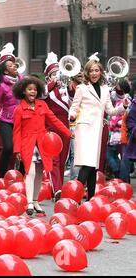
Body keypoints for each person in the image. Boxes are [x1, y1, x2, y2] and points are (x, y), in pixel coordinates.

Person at [69, 56, 129, 201]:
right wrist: (71, 116)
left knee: (93, 167)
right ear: (87, 73)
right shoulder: (82, 88)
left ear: (101, 72)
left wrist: (124, 106)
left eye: (97, 70)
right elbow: (74, 107)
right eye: (91, 71)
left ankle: (89, 200)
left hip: (97, 131)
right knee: (88, 165)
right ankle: (74, 199)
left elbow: (111, 110)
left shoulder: (104, 90)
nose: (94, 73)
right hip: (84, 129)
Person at [13, 76, 72, 216]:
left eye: (34, 89)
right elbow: (16, 131)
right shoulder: (19, 109)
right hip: (27, 144)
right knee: (30, 171)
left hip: (42, 143)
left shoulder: (42, 105)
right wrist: (17, 150)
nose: (32, 92)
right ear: (23, 91)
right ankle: (29, 203)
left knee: (40, 172)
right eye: (29, 89)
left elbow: (54, 120)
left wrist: (68, 133)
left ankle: (35, 201)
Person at [0, 43, 24, 178]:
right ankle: (1, 176)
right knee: (7, 148)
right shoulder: (0, 86)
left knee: (18, 151)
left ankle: (17, 176)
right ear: (5, 71)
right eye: (10, 65)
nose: (14, 66)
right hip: (6, 121)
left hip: (21, 121)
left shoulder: (23, 82)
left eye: (15, 64)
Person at [42, 52, 71, 201]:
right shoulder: (47, 89)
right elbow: (41, 94)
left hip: (65, 128)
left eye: (58, 73)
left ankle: (58, 186)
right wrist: (54, 83)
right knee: (54, 159)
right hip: (51, 128)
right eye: (54, 74)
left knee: (63, 159)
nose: (57, 76)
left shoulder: (66, 90)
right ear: (48, 77)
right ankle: (57, 189)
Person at [106, 79, 130, 179]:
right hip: (118, 132)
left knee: (110, 155)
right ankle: (121, 176)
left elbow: (116, 116)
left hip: (119, 132)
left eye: (118, 85)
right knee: (118, 156)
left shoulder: (124, 100)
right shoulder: (115, 96)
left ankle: (119, 173)